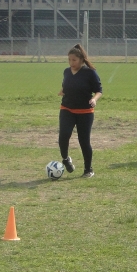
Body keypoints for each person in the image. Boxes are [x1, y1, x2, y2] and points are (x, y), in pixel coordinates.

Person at [58, 44, 102, 178]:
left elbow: (99, 91)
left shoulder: (90, 72)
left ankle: (88, 169)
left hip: (85, 112)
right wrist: (63, 91)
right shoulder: (66, 72)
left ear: (81, 59)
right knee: (63, 136)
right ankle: (66, 159)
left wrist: (94, 99)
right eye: (69, 60)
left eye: (74, 60)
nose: (71, 63)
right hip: (67, 108)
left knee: (84, 140)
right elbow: (67, 86)